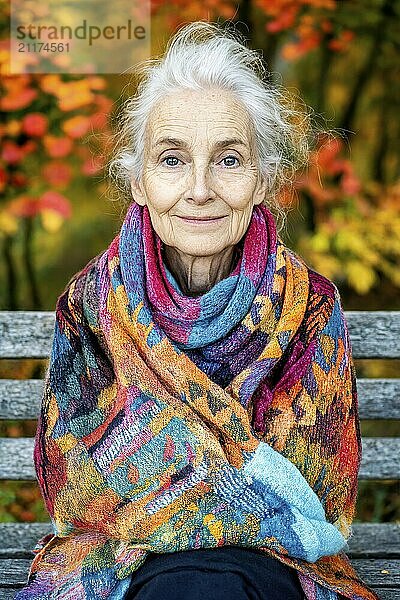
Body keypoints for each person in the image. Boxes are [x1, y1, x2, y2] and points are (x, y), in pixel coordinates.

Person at [16, 20, 379, 600]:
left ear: (262, 180)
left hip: (270, 569)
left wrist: (155, 474)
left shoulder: (310, 305)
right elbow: (75, 489)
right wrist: (243, 483)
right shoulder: (91, 305)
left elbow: (319, 495)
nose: (201, 188)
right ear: (138, 181)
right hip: (123, 564)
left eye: (229, 160)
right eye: (172, 159)